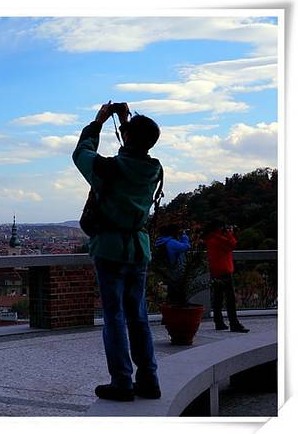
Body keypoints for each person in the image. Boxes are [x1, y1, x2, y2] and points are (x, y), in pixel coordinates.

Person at [73, 102, 163, 402]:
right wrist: (125, 122)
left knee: (114, 317)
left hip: (110, 247)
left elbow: (81, 153)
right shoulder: (154, 169)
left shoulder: (109, 169)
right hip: (138, 249)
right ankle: (148, 379)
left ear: (126, 136)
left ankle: (122, 381)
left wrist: (99, 121)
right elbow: (135, 149)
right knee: (138, 316)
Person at [203, 220, 249, 333]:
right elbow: (232, 244)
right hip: (224, 270)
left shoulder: (209, 238)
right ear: (218, 228)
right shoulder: (218, 239)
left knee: (218, 297)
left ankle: (219, 322)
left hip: (215, 270)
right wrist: (229, 233)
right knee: (230, 298)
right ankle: (234, 323)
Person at [155, 223, 191, 303]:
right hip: (175, 271)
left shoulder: (161, 241)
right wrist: (184, 236)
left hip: (165, 270)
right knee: (176, 294)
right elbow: (186, 246)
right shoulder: (171, 243)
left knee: (169, 293)